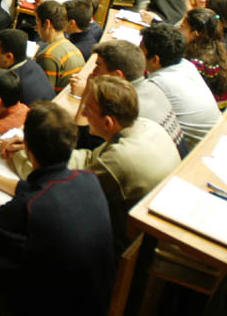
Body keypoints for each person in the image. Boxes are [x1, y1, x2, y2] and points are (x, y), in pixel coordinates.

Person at [0, 102, 115, 316]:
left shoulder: (28, 207)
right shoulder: (88, 179)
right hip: (94, 302)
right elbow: (43, 188)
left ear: (27, 148)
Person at [64, 76, 180, 251]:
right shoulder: (149, 126)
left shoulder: (119, 158)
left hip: (124, 246)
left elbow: (69, 185)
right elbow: (90, 158)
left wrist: (33, 153)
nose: (84, 114)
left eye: (88, 109)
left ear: (108, 122)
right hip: (152, 231)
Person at [70, 40, 187, 158]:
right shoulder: (152, 87)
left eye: (98, 66)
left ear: (117, 75)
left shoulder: (122, 104)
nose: (93, 72)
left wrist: (87, 94)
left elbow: (82, 146)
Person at [141, 23, 222, 147]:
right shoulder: (185, 64)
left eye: (140, 50)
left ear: (155, 60)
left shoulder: (158, 84)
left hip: (193, 154)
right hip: (214, 138)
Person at [181, 8, 227, 109]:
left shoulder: (195, 63)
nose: (179, 30)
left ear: (195, 34)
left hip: (215, 107)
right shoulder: (215, 45)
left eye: (182, 27)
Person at [34, 1, 85, 93]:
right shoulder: (75, 50)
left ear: (46, 24)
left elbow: (44, 93)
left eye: (37, 22)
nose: (35, 28)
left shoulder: (48, 56)